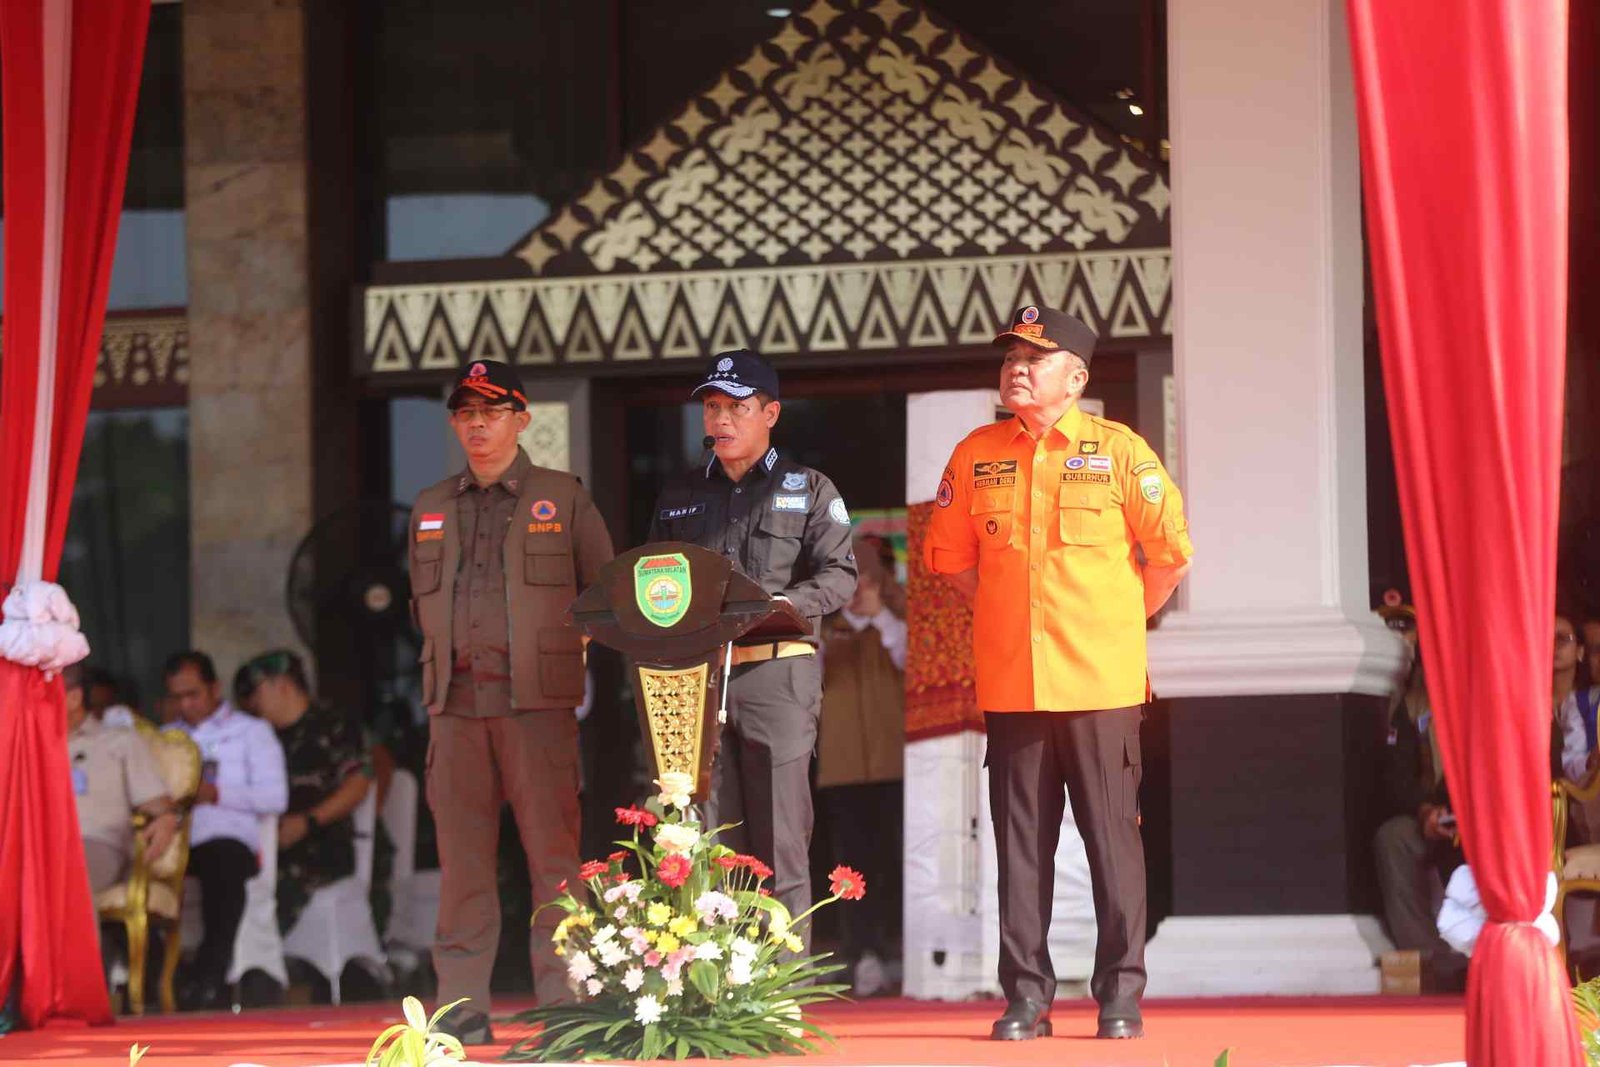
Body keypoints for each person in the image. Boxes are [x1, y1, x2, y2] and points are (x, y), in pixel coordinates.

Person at [923, 306, 1193, 1042]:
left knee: (1113, 842)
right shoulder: (976, 453)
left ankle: (1120, 995)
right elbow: (949, 561)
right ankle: (1027, 998)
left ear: (1074, 377)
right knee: (1020, 852)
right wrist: (1008, 617)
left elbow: (1169, 554)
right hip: (1014, 686)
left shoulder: (1120, 450)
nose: (1016, 367)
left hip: (1101, 685)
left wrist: (1112, 624)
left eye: (1033, 358)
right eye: (1009, 356)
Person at [407, 358, 615, 1044]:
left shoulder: (563, 496)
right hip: (455, 705)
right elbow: (421, 604)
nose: (477, 425)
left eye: (491, 412)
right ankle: (461, 1006)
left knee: (551, 857)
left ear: (521, 419)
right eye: (465, 414)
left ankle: (565, 996)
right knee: (462, 861)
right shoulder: (431, 506)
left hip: (537, 707)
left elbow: (607, 596)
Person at [648, 349, 857, 941]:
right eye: (712, 407)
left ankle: (781, 1001)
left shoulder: (808, 488)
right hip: (697, 679)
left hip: (776, 676)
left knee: (780, 840)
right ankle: (716, 997)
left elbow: (841, 576)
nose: (721, 420)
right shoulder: (679, 494)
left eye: (736, 407)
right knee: (704, 839)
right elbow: (650, 577)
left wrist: (789, 606)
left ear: (770, 413)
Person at [162, 650, 288, 1010]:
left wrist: (216, 794)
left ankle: (208, 979)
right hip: (176, 841)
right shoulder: (166, 738)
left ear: (214, 688)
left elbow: (275, 798)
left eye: (193, 694)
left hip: (228, 838)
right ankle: (165, 979)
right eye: (177, 697)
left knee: (224, 863)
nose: (186, 705)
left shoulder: (251, 732)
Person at [815, 532, 905, 995]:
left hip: (897, 767)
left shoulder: (902, 621)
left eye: (867, 577)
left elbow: (914, 661)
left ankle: (895, 951)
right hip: (843, 770)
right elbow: (812, 671)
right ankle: (860, 954)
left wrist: (881, 617)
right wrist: (848, 619)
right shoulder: (824, 629)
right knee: (851, 868)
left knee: (896, 861)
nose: (859, 586)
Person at [234, 650, 373, 935]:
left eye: (257, 691)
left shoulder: (335, 724)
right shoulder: (260, 737)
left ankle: (260, 972)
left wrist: (307, 822)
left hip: (321, 846)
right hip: (268, 845)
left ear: (281, 685)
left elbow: (359, 784)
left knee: (272, 892)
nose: (253, 701)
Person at [1371, 600, 1468, 992]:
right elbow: (1396, 774)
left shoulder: (1491, 695)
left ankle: (1490, 955)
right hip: (1433, 816)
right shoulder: (1412, 705)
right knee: (1393, 838)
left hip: (1486, 817)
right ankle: (1434, 962)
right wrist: (1426, 809)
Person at [64, 662, 178, 894]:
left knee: (66, 878)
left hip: (93, 846)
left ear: (74, 698)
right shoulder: (26, 748)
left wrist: (168, 817)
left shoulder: (120, 742)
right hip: (32, 848)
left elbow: (161, 807)